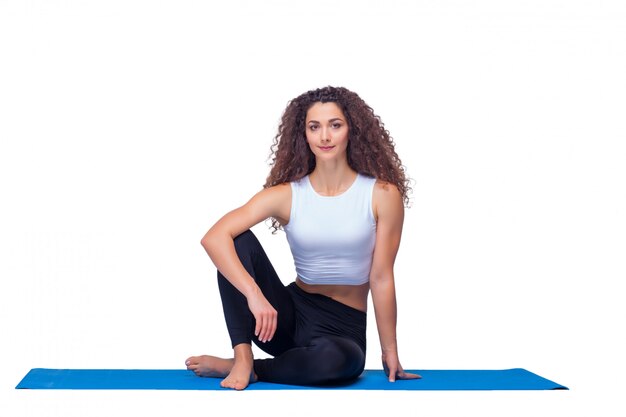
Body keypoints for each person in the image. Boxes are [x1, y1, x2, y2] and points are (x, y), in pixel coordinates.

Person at [185, 86, 420, 390]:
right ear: (304, 134)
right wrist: (255, 295)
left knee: (335, 365)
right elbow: (214, 237)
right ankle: (242, 356)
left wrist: (390, 352)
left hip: (342, 329)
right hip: (284, 318)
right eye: (314, 127)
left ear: (353, 130)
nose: (325, 136)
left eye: (335, 125)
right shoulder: (287, 194)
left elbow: (381, 277)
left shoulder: (381, 195)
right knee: (237, 240)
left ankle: (255, 369)